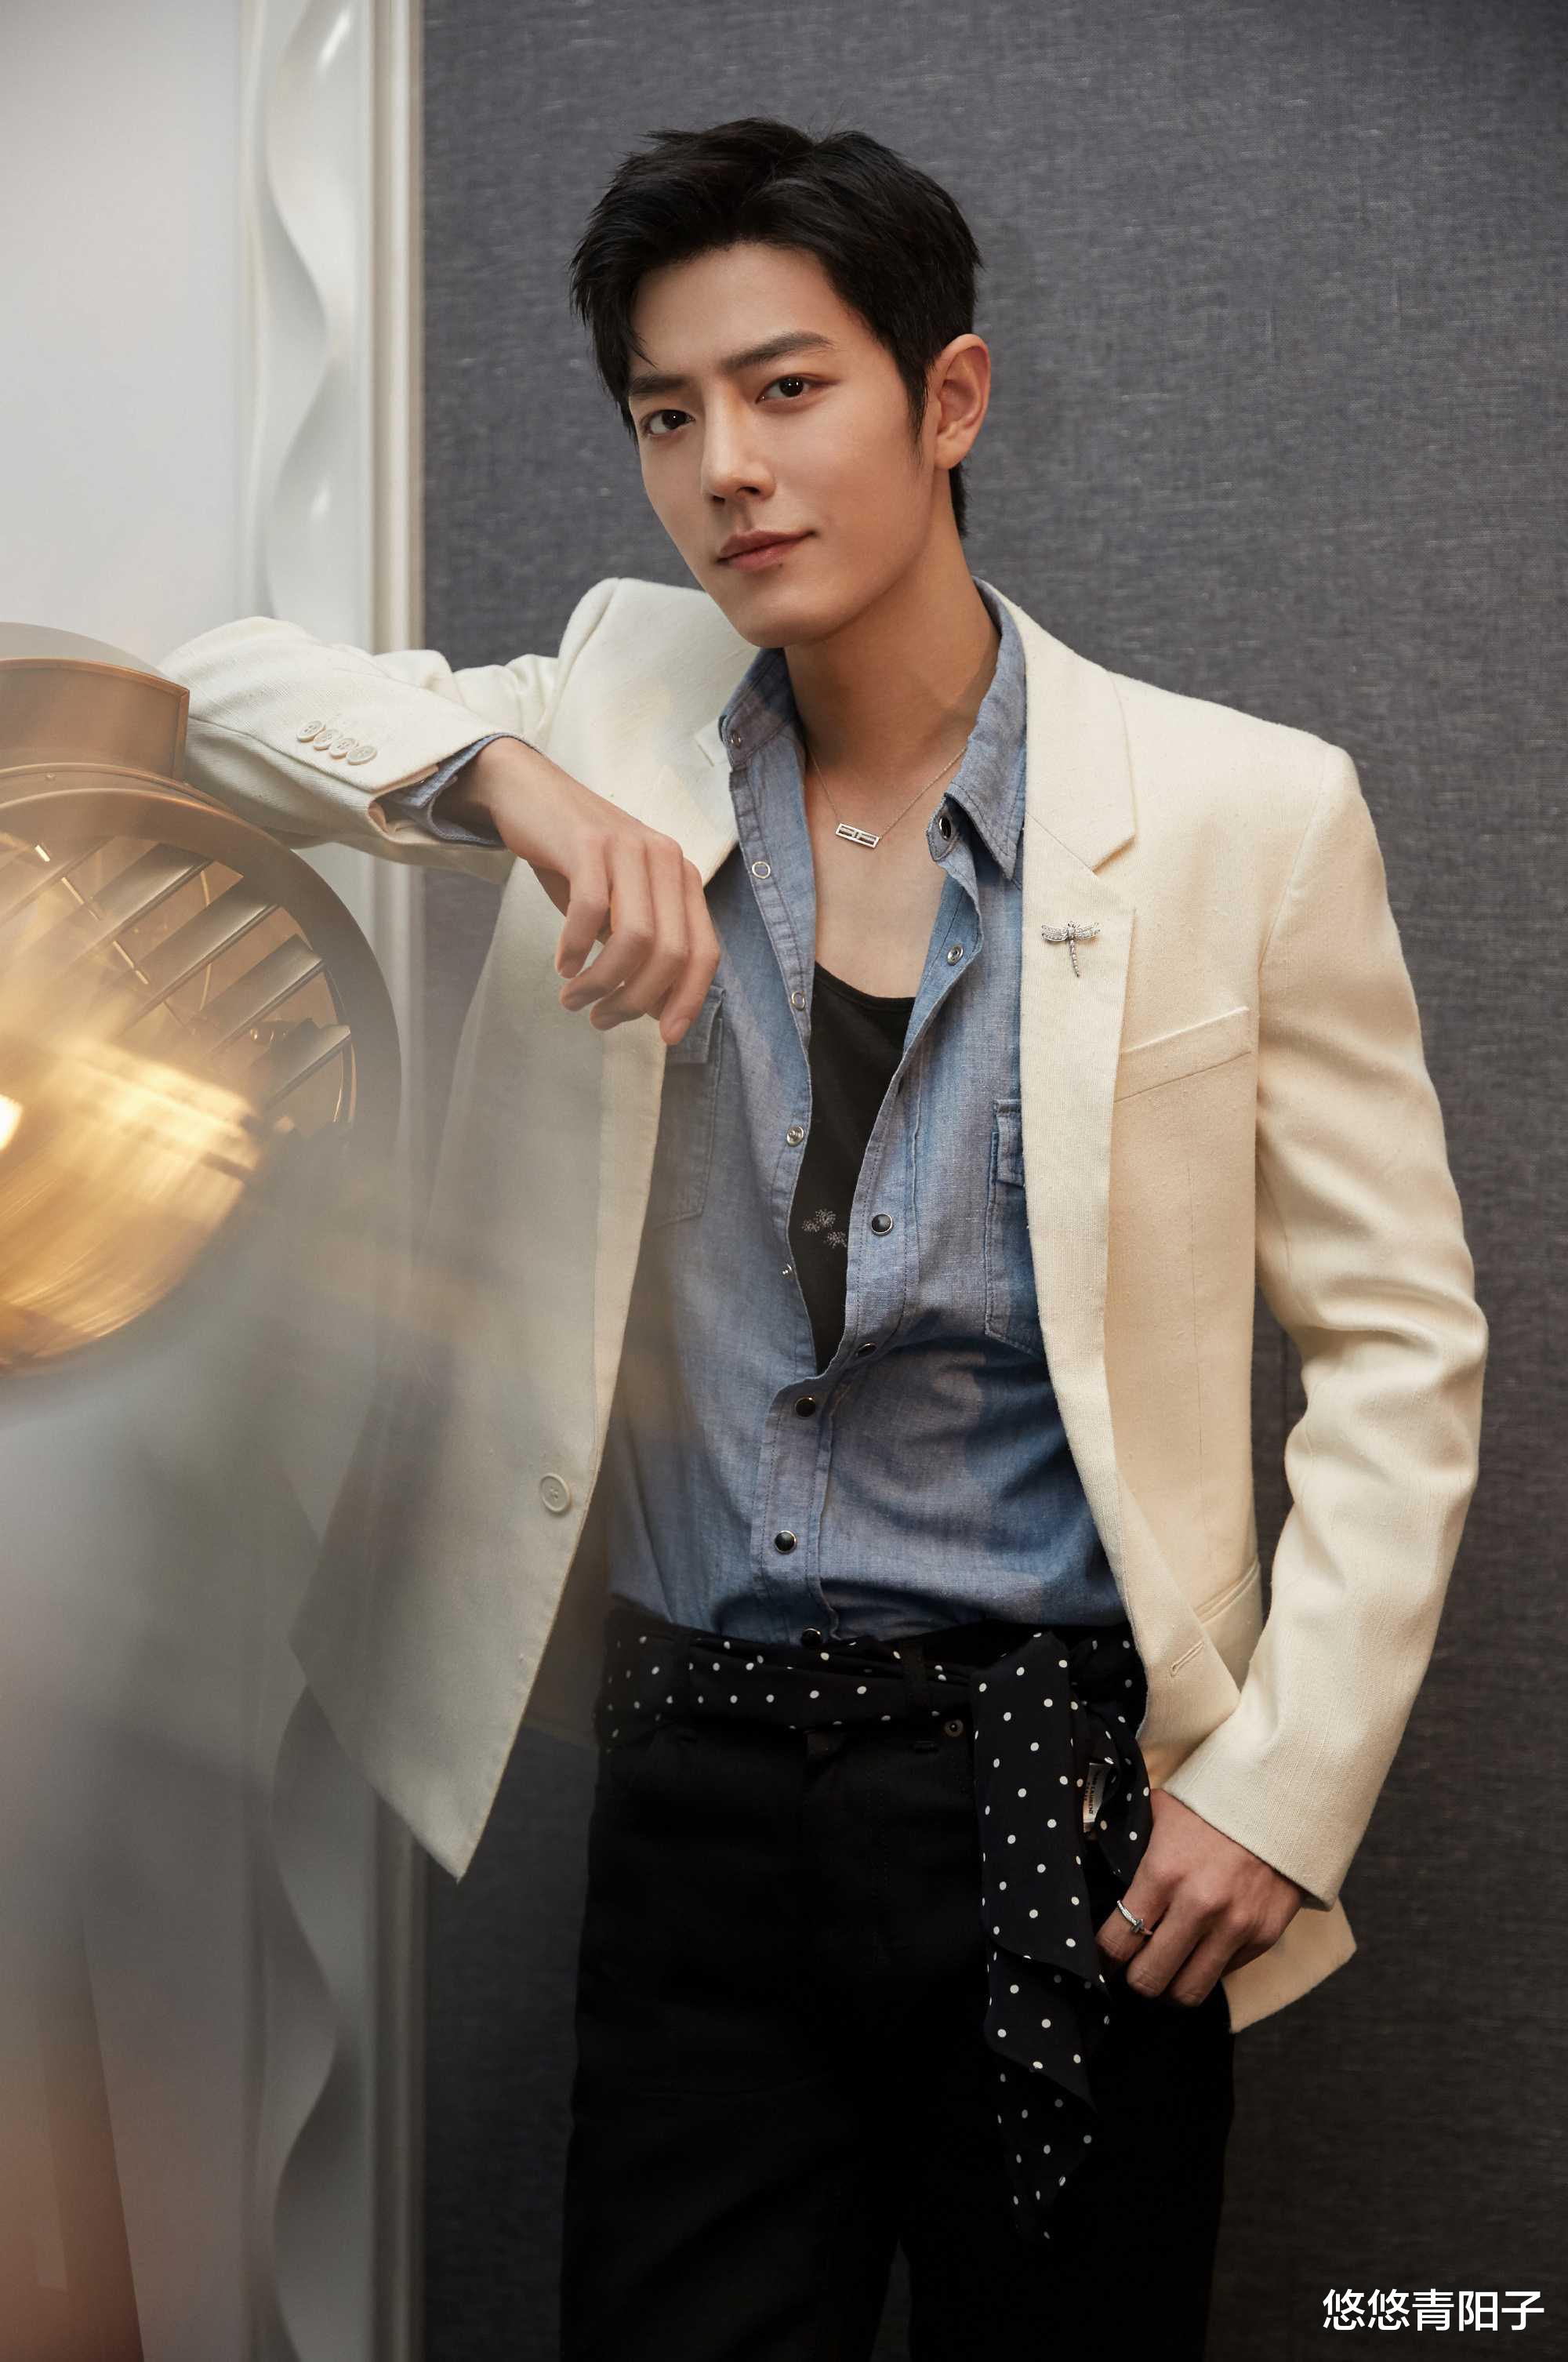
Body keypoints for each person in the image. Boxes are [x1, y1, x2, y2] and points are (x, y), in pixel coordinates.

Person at [160, 115, 1488, 2362]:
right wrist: (515, 786)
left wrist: (1281, 1790)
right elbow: (206, 695)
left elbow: (1400, 1344)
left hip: (1060, 1800)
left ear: (946, 399)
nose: (727, 471)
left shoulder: (1246, 812)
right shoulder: (615, 701)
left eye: (787, 390)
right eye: (666, 416)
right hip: (691, 1782)